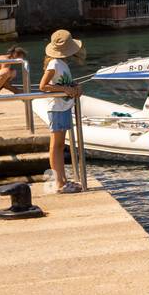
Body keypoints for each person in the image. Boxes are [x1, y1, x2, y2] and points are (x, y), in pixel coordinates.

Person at [39, 30, 84, 194]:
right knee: (56, 146)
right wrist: (65, 88)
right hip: (57, 109)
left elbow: (62, 81)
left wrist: (74, 86)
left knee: (59, 146)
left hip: (63, 107)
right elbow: (43, 86)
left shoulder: (61, 64)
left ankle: (63, 180)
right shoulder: (54, 64)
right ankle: (59, 183)